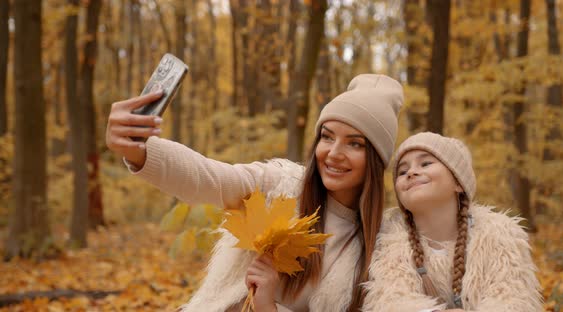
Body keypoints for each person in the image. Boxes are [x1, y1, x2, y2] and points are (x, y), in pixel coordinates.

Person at [105, 74, 403, 311]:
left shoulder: (381, 249)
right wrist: (139, 151)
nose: (334, 153)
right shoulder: (281, 186)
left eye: (355, 144)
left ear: (376, 160)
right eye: (327, 137)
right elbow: (211, 178)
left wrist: (268, 307)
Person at [362, 132, 543, 312]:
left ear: (458, 183)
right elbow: (389, 301)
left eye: (425, 163)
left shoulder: (499, 235)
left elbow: (514, 300)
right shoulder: (390, 242)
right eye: (402, 171)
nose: (411, 172)